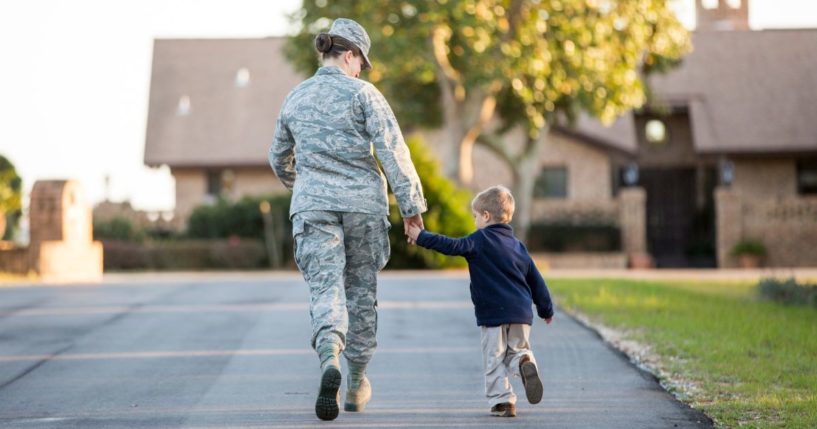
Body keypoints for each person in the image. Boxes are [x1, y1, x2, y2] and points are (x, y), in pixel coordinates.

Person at [269, 18, 427, 421]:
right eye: (361, 63)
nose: (361, 71)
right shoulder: (365, 95)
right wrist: (411, 209)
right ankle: (356, 380)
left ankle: (330, 361)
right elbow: (392, 150)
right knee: (360, 291)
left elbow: (278, 157)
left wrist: (303, 188)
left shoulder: (295, 97)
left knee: (326, 289)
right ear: (350, 55)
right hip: (363, 207)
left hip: (313, 207)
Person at [407, 185, 553, 418]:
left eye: (475, 216)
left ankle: (503, 402)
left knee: (494, 359)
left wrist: (421, 237)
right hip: (521, 313)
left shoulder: (479, 240)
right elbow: (536, 279)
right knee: (516, 351)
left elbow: (451, 245)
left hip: (493, 313)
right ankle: (524, 361)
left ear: (486, 216)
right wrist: (546, 308)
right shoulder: (518, 246)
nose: (474, 221)